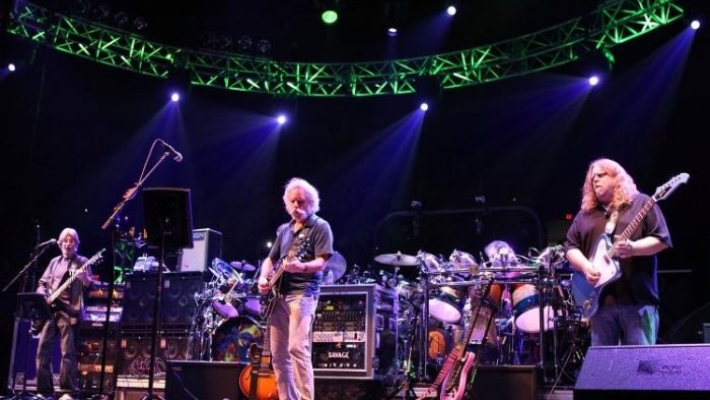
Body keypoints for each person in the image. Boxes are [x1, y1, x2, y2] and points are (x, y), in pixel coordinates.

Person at [565, 158, 671, 346]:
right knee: (605, 369)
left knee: (641, 366)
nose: (594, 180)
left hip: (636, 301)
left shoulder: (641, 203)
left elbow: (662, 240)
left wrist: (633, 248)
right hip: (599, 304)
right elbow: (570, 247)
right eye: (592, 178)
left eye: (601, 175)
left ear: (617, 177)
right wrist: (585, 266)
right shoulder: (585, 214)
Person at [257, 178, 334, 400]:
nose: (297, 207)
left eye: (301, 202)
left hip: (303, 294)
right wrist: (264, 278)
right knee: (278, 356)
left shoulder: (320, 227)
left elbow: (321, 262)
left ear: (312, 203)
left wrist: (299, 266)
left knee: (296, 348)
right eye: (293, 202)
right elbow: (270, 260)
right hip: (278, 296)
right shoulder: (285, 229)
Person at [35, 228, 94, 400]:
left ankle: (67, 391)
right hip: (50, 312)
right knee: (42, 350)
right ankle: (44, 391)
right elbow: (42, 282)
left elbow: (90, 287)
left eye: (72, 241)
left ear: (76, 244)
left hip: (69, 312)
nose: (68, 244)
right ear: (60, 244)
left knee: (67, 353)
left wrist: (86, 280)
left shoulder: (82, 262)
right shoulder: (54, 262)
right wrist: (42, 293)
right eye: (65, 241)